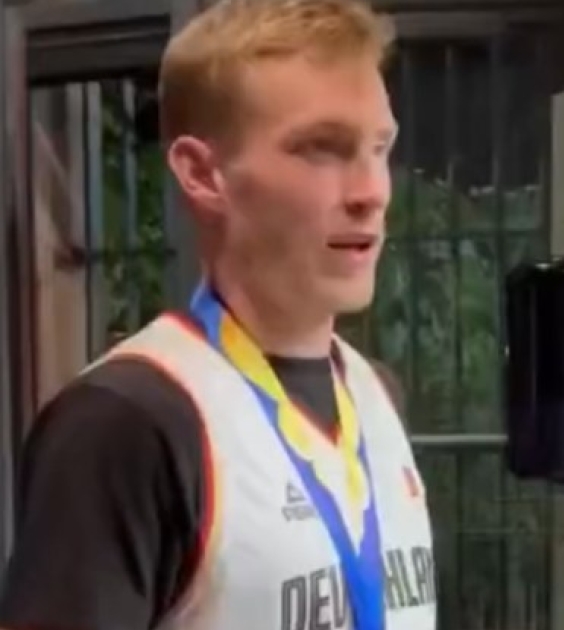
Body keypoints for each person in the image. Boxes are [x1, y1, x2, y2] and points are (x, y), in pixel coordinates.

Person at [0, 1, 436, 629]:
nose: (371, 191)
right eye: (322, 149)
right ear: (202, 174)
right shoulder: (127, 422)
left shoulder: (375, 396)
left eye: (379, 148)